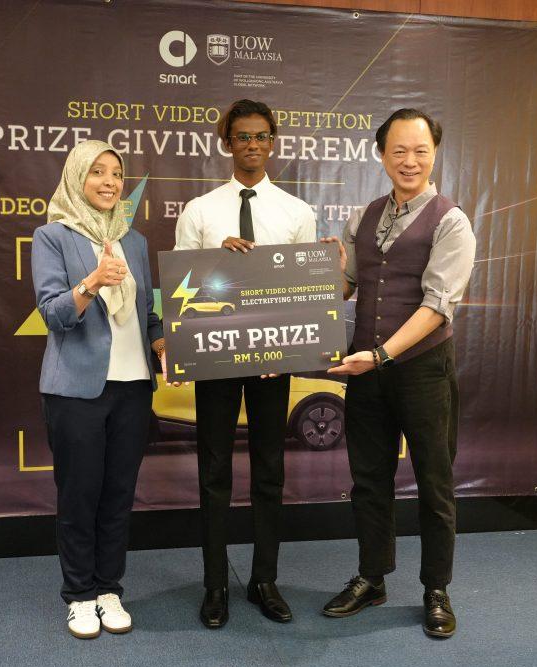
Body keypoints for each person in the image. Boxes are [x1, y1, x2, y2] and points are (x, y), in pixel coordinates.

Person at [321, 109, 476, 638]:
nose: (410, 161)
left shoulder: (451, 221)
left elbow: (437, 307)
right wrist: (315, 277)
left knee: (435, 482)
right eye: (399, 151)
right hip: (367, 372)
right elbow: (345, 286)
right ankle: (372, 577)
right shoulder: (362, 218)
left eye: (420, 151)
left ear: (435, 154)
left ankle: (436, 589)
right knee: (368, 480)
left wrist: (382, 354)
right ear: (381, 155)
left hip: (422, 369)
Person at [174, 99, 317, 628]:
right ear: (226, 143)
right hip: (214, 357)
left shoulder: (297, 213)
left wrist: (291, 353)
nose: (251, 145)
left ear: (272, 142)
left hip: (272, 362)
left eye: (260, 136)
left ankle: (264, 580)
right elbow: (181, 289)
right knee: (214, 471)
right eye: (242, 136)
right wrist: (215, 259)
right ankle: (215, 585)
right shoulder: (200, 211)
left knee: (269, 470)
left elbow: (302, 294)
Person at [32, 141, 165, 639]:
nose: (109, 182)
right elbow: (53, 313)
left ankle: (109, 589)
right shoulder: (52, 236)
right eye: (97, 172)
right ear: (76, 178)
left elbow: (147, 313)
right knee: (79, 495)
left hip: (134, 387)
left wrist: (162, 342)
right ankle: (79, 595)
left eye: (116, 173)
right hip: (76, 390)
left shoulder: (135, 241)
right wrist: (92, 282)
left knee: (118, 494)